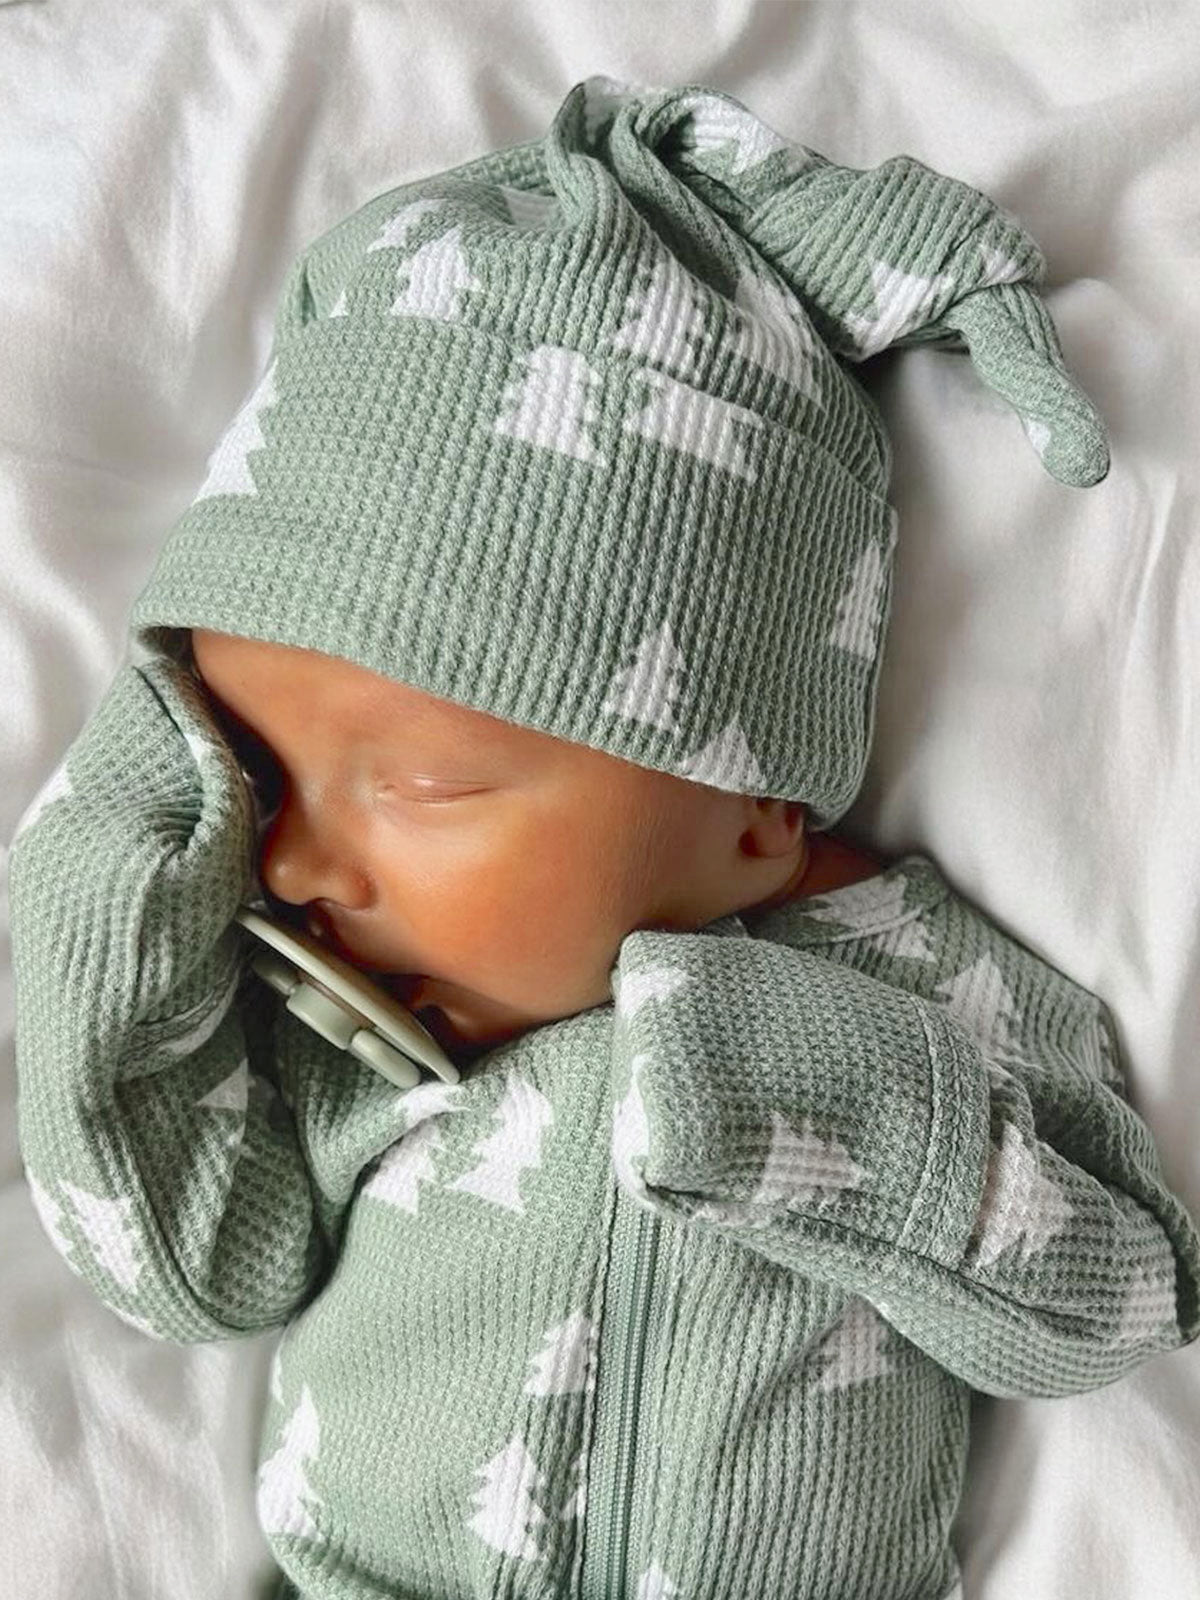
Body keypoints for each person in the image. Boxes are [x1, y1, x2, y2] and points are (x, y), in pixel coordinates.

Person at [9, 74, 1199, 1600]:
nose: (295, 866)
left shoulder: (928, 994)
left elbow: (1115, 1301)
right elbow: (181, 1268)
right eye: (251, 769)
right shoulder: (362, 1049)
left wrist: (807, 1112)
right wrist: (117, 855)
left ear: (760, 806)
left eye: (423, 785)